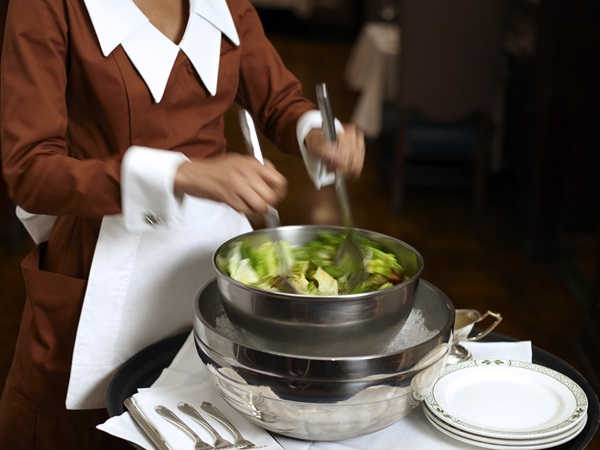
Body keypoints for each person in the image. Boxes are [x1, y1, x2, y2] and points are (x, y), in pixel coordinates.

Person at [0, 0, 365, 448]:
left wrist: (315, 132)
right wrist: (180, 173)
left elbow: (278, 101)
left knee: (210, 422)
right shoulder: (48, 7)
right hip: (101, 267)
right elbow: (30, 171)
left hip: (214, 266)